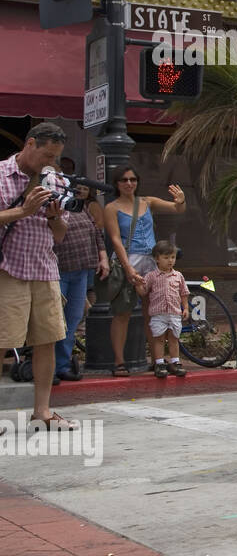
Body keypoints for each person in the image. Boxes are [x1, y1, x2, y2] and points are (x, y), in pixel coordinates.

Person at [0, 122, 76, 431]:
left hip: (45, 269)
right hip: (9, 269)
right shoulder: (2, 175)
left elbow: (60, 236)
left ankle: (42, 411)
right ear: (29, 144)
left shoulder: (57, 181)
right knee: (2, 339)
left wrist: (55, 217)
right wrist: (22, 211)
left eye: (55, 157)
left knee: (47, 340)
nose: (49, 163)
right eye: (45, 155)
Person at [103, 165, 187, 376]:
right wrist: (128, 268)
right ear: (117, 183)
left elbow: (177, 209)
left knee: (154, 312)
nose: (129, 183)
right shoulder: (111, 208)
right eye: (124, 180)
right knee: (123, 312)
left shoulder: (147, 202)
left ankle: (157, 360)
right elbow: (115, 240)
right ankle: (119, 362)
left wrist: (181, 199)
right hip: (127, 260)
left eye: (133, 179)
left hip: (151, 261)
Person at [52, 182, 110, 381]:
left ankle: (62, 365)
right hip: (58, 271)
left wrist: (103, 258)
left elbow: (96, 234)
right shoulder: (52, 207)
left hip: (83, 271)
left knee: (73, 318)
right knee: (53, 321)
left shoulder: (81, 207)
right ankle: (47, 367)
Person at [132, 240, 190, 377]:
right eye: (166, 258)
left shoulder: (178, 276)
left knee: (174, 338)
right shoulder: (152, 276)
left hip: (175, 313)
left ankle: (175, 362)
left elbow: (184, 293)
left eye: (172, 257)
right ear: (157, 259)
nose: (170, 261)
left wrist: (185, 307)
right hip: (158, 314)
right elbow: (144, 292)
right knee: (158, 338)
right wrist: (137, 284)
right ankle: (159, 363)